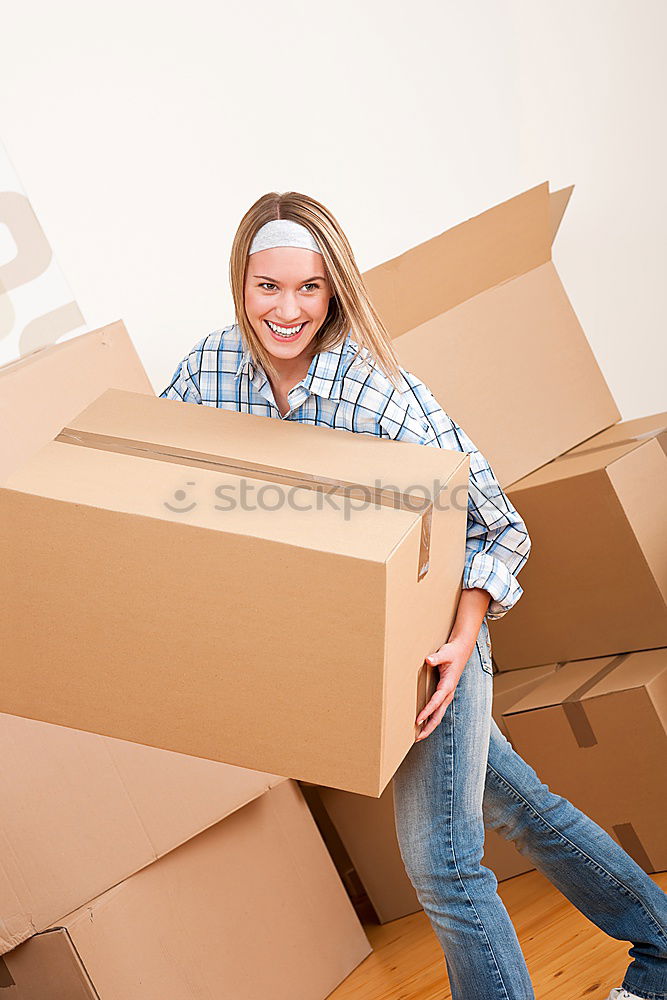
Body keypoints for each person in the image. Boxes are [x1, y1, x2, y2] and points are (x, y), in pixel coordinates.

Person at [159, 191, 667, 1000]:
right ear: (240, 281)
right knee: (521, 806)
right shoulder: (206, 371)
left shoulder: (377, 393)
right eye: (267, 287)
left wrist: (460, 648)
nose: (286, 310)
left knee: (442, 861)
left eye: (309, 288)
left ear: (335, 291)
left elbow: (494, 527)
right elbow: (161, 490)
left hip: (434, 640)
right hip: (343, 649)